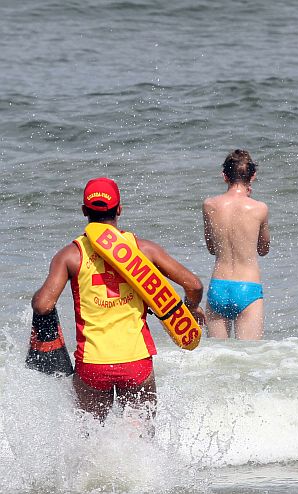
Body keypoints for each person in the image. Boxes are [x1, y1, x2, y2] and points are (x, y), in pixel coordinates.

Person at [31, 177, 205, 424]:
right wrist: (189, 308)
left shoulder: (70, 255)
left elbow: (43, 305)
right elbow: (194, 285)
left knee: (90, 437)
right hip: (136, 359)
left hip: (92, 362)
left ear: (84, 211)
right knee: (142, 437)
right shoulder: (144, 249)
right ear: (120, 209)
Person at [203, 149, 270, 340]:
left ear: (225, 176)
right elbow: (263, 250)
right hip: (247, 287)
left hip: (218, 287)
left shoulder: (210, 205)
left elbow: (211, 248)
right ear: (253, 176)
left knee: (218, 357)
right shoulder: (259, 208)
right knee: (249, 358)